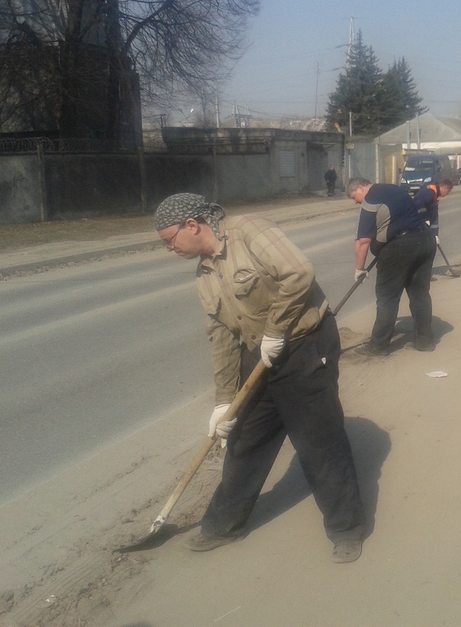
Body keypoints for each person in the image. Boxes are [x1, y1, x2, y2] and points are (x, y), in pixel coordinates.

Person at [153, 193, 365, 562]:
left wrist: (277, 329)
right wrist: (223, 401)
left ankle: (346, 529)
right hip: (261, 354)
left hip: (304, 345)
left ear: (192, 225)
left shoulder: (248, 231)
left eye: (169, 240)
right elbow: (220, 337)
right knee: (244, 439)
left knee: (319, 441)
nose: (169, 248)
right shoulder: (205, 273)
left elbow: (297, 273)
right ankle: (223, 525)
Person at [346, 177, 436, 354]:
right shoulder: (393, 189)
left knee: (387, 298)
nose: (355, 202)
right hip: (425, 240)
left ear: (361, 188)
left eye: (353, 196)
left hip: (400, 247)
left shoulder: (370, 200)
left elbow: (363, 241)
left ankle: (378, 346)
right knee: (420, 293)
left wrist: (359, 268)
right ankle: (425, 341)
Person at [411, 178, 454, 244]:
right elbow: (418, 203)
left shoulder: (434, 194)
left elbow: (434, 216)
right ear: (445, 188)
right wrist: (425, 219)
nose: (447, 194)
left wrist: (435, 235)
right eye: (448, 192)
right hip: (415, 222)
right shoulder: (430, 192)